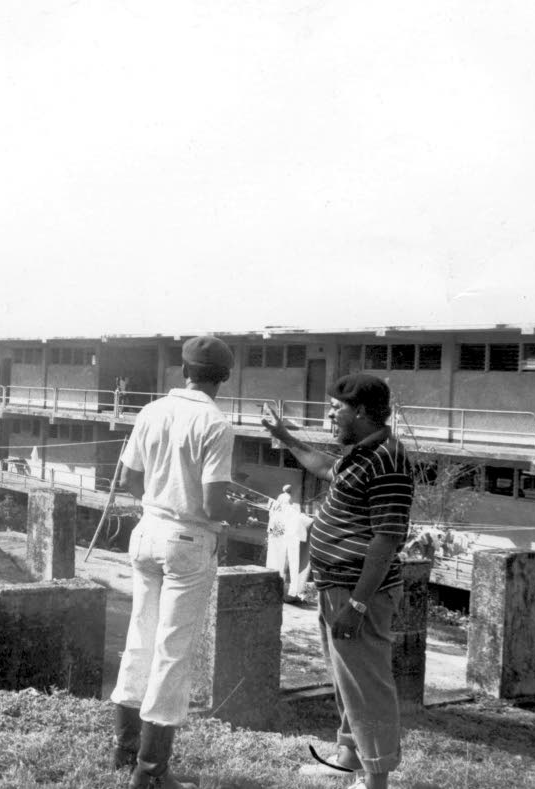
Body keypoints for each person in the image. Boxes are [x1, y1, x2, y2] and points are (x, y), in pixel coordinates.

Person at [109, 336, 250, 789]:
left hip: (147, 531)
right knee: (172, 651)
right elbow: (213, 503)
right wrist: (239, 513)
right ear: (223, 377)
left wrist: (159, 503)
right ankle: (151, 772)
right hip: (187, 540)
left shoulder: (151, 411)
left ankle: (124, 749)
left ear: (183, 368)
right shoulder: (215, 422)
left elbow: (128, 478)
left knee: (139, 638)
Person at [262, 374, 413, 789]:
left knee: (367, 684)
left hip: (359, 591)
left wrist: (359, 604)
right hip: (337, 586)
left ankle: (375, 779)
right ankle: (348, 758)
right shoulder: (361, 453)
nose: (330, 413)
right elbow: (327, 467)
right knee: (346, 677)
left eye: (337, 407)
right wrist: (284, 436)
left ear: (361, 411)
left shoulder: (389, 460)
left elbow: (387, 539)